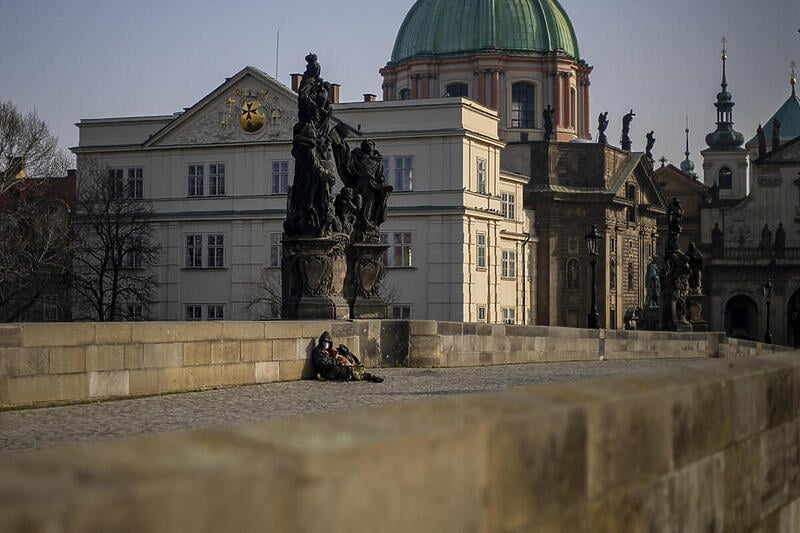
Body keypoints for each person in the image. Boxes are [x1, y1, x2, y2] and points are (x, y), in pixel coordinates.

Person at [312, 331, 384, 382]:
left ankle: (368, 376)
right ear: (321, 342)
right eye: (325, 342)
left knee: (348, 367)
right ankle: (365, 376)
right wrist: (336, 361)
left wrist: (338, 357)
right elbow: (324, 364)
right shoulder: (318, 352)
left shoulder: (327, 351)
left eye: (328, 342)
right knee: (347, 370)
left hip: (331, 369)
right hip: (325, 372)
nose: (326, 344)